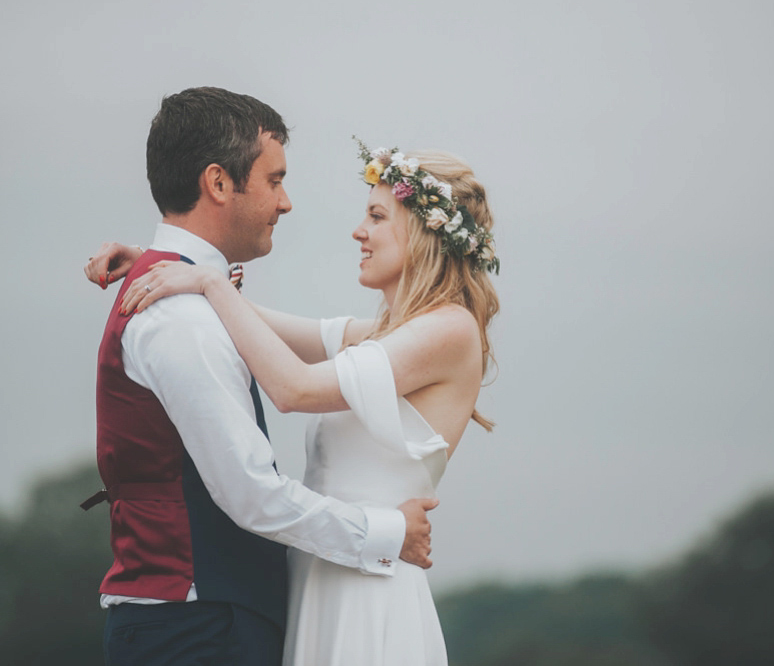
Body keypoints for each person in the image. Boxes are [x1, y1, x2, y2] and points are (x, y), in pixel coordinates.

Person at [93, 139, 501, 665]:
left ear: (423, 234)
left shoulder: (450, 331)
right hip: (325, 573)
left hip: (368, 588)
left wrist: (209, 283)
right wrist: (165, 265)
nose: (359, 230)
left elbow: (295, 389)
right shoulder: (390, 333)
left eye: (377, 216)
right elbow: (275, 329)